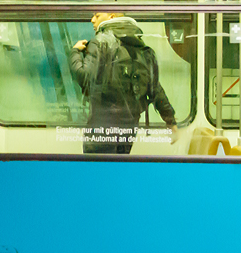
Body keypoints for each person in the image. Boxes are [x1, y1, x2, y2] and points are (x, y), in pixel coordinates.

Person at [69, 11, 182, 154]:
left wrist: (74, 52)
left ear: (111, 17)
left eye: (97, 15)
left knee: (97, 172)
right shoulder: (141, 48)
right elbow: (154, 89)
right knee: (119, 169)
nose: (92, 20)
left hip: (101, 126)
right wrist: (170, 120)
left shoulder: (100, 43)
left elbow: (83, 77)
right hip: (128, 128)